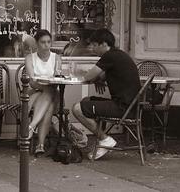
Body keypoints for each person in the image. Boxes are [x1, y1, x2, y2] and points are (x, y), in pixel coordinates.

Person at [72, 29, 141, 160]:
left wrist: (88, 75)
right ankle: (102, 139)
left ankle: (105, 139)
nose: (92, 48)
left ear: (103, 44)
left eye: (94, 45)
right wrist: (98, 79)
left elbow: (88, 77)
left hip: (123, 108)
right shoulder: (118, 54)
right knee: (86, 100)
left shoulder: (109, 56)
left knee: (77, 108)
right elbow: (101, 76)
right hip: (132, 107)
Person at [24, 29, 60, 157]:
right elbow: (32, 82)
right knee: (48, 105)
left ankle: (31, 126)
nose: (46, 45)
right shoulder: (29, 58)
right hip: (35, 92)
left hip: (52, 93)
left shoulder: (56, 58)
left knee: (50, 92)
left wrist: (46, 86)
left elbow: (58, 78)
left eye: (49, 42)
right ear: (37, 43)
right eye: (43, 42)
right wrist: (44, 87)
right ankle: (41, 144)